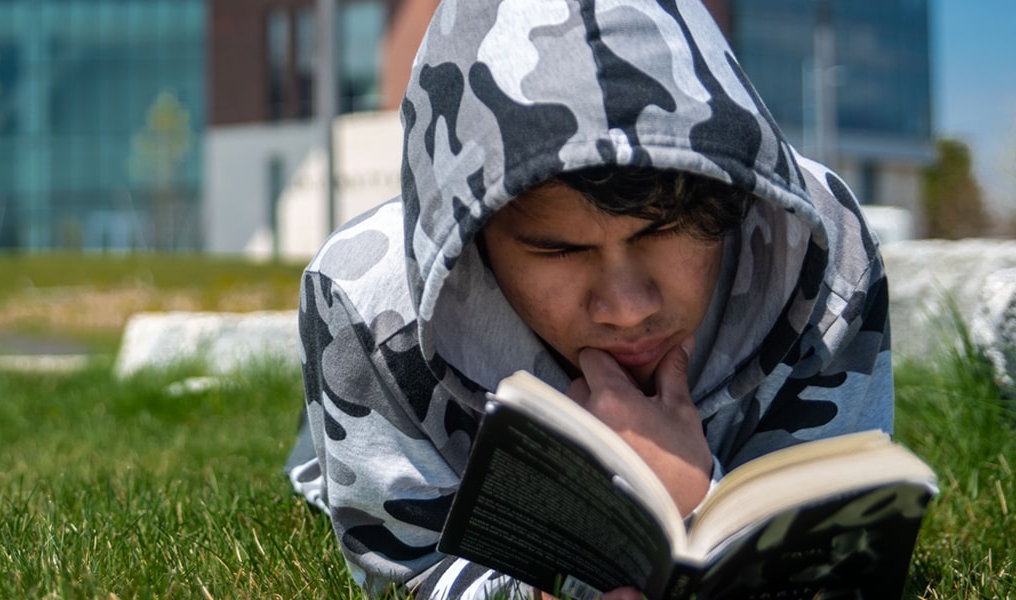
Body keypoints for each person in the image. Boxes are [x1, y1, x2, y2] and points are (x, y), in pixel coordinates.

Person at [283, 0, 894, 598]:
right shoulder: (366, 304)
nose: (628, 308)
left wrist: (688, 495)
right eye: (560, 251)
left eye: (664, 230)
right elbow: (409, 569)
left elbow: (834, 556)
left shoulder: (824, 251)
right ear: (475, 239)